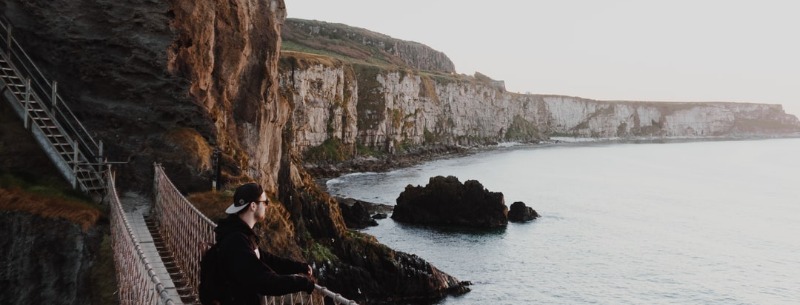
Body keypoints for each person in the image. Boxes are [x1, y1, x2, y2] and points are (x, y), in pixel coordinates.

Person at [215, 182, 316, 305]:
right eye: (265, 202)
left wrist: (299, 267)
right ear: (253, 206)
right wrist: (303, 283)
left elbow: (265, 259)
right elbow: (265, 281)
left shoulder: (241, 234)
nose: (267, 206)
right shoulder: (237, 241)